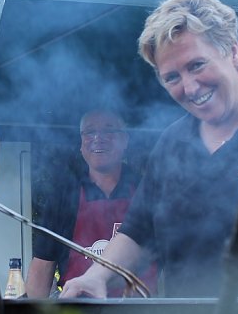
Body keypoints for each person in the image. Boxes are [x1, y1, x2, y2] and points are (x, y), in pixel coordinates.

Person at [61, 0, 238, 300]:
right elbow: (139, 233)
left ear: (233, 52)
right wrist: (97, 276)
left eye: (197, 65)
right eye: (172, 77)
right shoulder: (172, 143)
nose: (190, 87)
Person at [26, 109, 154, 298]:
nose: (98, 138)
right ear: (81, 143)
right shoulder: (64, 195)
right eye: (90, 132)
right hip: (79, 313)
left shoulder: (146, 190)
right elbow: (43, 265)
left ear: (125, 140)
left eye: (108, 131)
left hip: (140, 313)